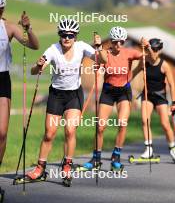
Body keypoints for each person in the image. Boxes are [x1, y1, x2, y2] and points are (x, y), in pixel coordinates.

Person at [26, 19, 96, 183]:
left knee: (70, 131)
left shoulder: (82, 47)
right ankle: (40, 168)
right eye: (64, 35)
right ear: (60, 35)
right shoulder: (53, 50)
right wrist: (38, 65)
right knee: (49, 134)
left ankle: (67, 165)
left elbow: (103, 59)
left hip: (74, 95)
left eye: (70, 35)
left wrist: (99, 47)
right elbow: (34, 71)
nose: (67, 38)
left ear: (75, 36)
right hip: (56, 94)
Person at [83, 26, 154, 171]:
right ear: (111, 41)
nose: (118, 45)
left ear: (124, 41)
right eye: (115, 42)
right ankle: (96, 157)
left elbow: (151, 60)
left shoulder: (129, 52)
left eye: (121, 42)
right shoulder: (105, 53)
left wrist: (148, 47)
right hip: (108, 91)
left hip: (124, 92)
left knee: (122, 123)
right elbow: (100, 61)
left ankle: (116, 155)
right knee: (101, 126)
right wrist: (98, 49)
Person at [0, 0, 39, 194]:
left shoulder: (8, 28)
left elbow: (34, 45)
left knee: (2, 133)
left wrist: (28, 28)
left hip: (2, 81)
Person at [133, 38, 175, 161]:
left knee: (165, 124)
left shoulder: (164, 65)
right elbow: (133, 73)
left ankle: (172, 148)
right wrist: (122, 83)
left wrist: (173, 102)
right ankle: (149, 149)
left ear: (160, 50)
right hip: (147, 96)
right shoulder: (144, 61)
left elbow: (172, 85)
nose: (154, 52)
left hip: (160, 97)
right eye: (152, 49)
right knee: (144, 121)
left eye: (156, 49)